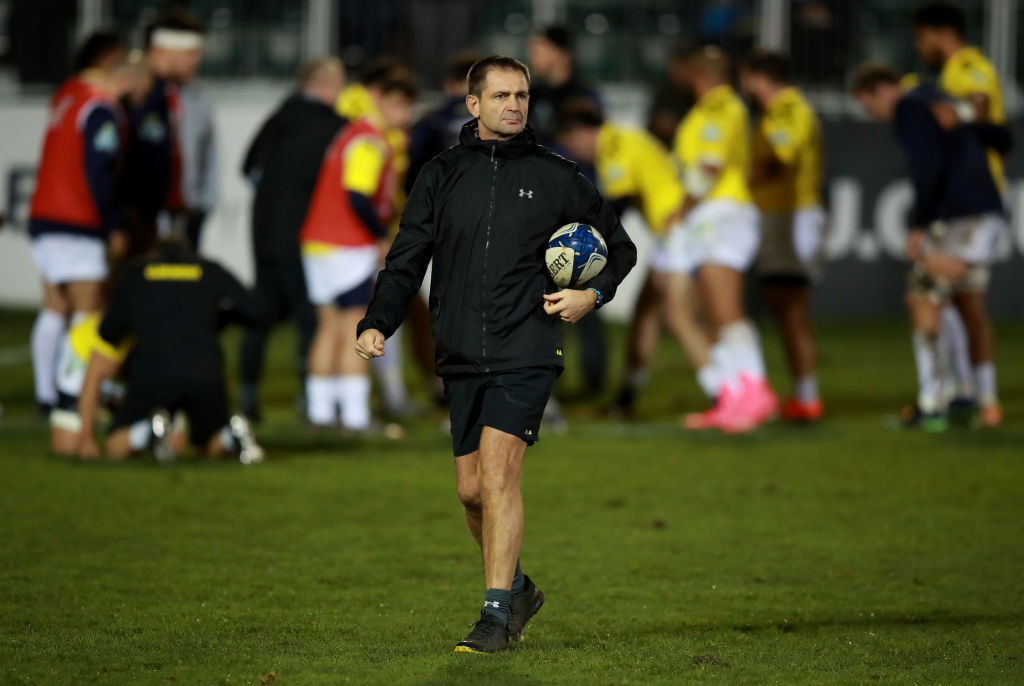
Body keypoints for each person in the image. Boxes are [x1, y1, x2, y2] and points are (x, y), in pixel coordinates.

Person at [355, 55, 636, 653]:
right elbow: (407, 259)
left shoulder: (558, 175)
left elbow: (621, 248)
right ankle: (520, 588)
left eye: (522, 96)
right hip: (459, 349)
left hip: (527, 346)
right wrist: (379, 321)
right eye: (502, 95)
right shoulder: (439, 174)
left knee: (498, 475)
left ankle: (494, 616)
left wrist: (592, 294)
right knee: (470, 492)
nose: (514, 105)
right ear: (473, 104)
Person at [851, 64, 1009, 431]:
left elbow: (927, 163)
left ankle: (933, 403)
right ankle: (968, 396)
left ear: (880, 91)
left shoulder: (908, 108)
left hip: (964, 217)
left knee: (922, 294)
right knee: (956, 302)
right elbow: (1000, 139)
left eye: (868, 105)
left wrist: (919, 224)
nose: (873, 116)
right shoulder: (936, 99)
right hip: (982, 212)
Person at [555, 102, 716, 417]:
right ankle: (626, 397)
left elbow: (619, 204)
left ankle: (725, 393)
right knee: (647, 313)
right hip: (675, 231)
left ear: (580, 132)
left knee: (680, 317)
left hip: (679, 230)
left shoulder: (614, 145)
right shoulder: (624, 138)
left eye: (569, 143)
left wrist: (584, 241)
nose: (573, 152)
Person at [664, 46, 777, 433]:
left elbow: (709, 166)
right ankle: (734, 398)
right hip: (711, 217)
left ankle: (756, 392)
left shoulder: (719, 107)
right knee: (714, 313)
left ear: (700, 76)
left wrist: (683, 207)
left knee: (727, 310)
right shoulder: (710, 109)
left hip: (723, 214)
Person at [76, 238, 268, 462]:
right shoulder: (208, 270)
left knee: (114, 445)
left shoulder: (137, 273)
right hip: (204, 369)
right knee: (208, 445)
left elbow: (108, 332)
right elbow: (259, 312)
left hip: (155, 369)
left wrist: (144, 317)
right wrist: (218, 319)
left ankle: (146, 432)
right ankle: (229, 436)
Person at [300, 69, 417, 431]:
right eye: (398, 106)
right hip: (347, 245)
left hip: (318, 242)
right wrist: (380, 235)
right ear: (379, 100)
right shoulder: (369, 140)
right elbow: (358, 195)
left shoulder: (351, 133)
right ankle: (355, 415)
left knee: (327, 327)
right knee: (356, 327)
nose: (404, 116)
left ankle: (320, 413)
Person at [238, 57, 348, 423]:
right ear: (326, 85)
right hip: (305, 234)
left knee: (260, 315)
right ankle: (309, 396)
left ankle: (248, 396)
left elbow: (248, 168)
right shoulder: (334, 128)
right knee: (311, 318)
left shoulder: (278, 119)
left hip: (265, 230)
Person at [912, 1, 1006, 426]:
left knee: (941, 296)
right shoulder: (949, 74)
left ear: (940, 32)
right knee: (959, 302)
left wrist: (952, 114)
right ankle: (972, 395)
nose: (920, 47)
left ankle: (967, 396)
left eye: (921, 37)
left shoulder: (968, 66)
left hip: (974, 202)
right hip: (962, 202)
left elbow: (978, 107)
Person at [28, 31, 126, 418]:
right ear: (109, 61)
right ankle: (72, 393)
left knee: (55, 307)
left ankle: (46, 395)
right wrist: (112, 222)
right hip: (77, 217)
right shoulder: (98, 103)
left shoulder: (66, 94)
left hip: (45, 214)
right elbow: (99, 170)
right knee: (89, 308)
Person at [740, 50, 825, 422]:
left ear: (760, 77)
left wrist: (737, 180)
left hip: (790, 217)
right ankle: (802, 395)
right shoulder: (778, 111)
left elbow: (780, 159)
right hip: (779, 216)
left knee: (790, 307)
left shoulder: (789, 109)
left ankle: (807, 397)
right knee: (784, 307)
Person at [119, 8, 214, 251]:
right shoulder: (131, 93)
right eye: (190, 53)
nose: (196, 60)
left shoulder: (197, 102)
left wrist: (201, 206)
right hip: (139, 216)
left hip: (184, 216)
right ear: (160, 51)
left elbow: (207, 159)